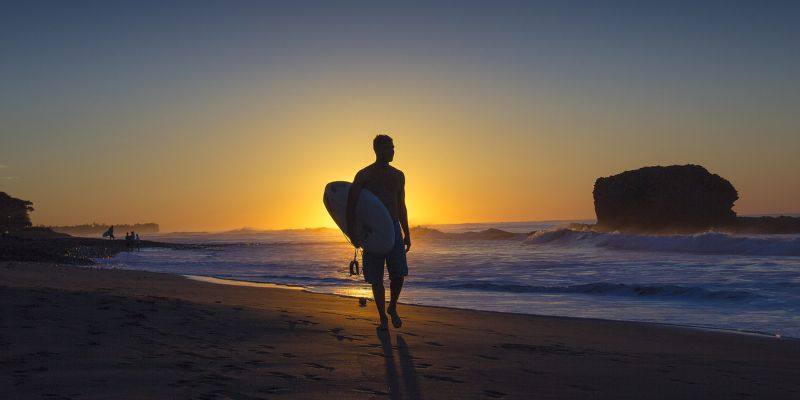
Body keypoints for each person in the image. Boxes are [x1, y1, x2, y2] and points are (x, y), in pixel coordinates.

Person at [346, 134, 411, 331]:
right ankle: (382, 316)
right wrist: (353, 234)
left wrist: (406, 233)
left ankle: (392, 307)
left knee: (399, 274)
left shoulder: (399, 175)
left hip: (393, 228)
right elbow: (351, 205)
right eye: (388, 147)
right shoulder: (364, 175)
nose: (392, 151)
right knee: (375, 278)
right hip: (371, 231)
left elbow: (401, 205)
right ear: (377, 150)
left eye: (393, 147)